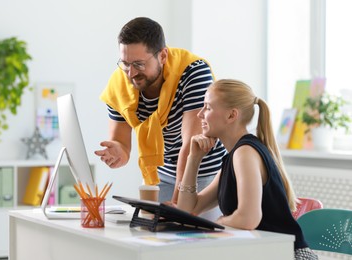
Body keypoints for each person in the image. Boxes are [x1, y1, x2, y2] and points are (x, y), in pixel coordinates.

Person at [176, 79, 318, 259]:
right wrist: (193, 159)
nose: (200, 114)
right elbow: (188, 210)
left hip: (288, 255)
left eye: (208, 108)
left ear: (231, 115)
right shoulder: (233, 156)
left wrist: (218, 222)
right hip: (263, 253)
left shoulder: (245, 153)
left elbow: (248, 218)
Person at [94, 17, 226, 206]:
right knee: (152, 232)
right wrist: (118, 153)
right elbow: (122, 147)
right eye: (125, 63)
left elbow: (191, 145)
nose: (130, 73)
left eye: (139, 64)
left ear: (162, 56)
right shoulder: (119, 84)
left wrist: (177, 200)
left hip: (202, 172)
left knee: (195, 233)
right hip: (161, 173)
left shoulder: (193, 73)